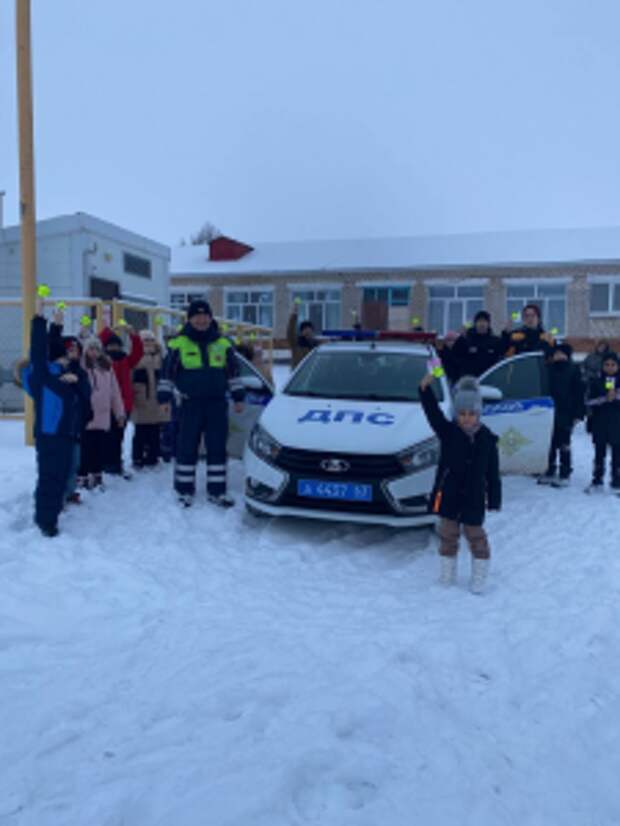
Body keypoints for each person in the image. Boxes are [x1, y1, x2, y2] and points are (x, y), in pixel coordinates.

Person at [158, 299, 245, 508]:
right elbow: (167, 374)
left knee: (217, 447)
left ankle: (217, 491)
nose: (201, 319)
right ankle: (184, 490)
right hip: (189, 405)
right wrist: (164, 398)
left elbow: (233, 373)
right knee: (186, 446)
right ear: (189, 319)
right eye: (196, 316)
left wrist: (238, 397)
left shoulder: (223, 344)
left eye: (205, 315)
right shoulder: (178, 343)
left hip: (216, 404)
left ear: (210, 318)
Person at [419, 374, 501, 594]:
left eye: (471, 414)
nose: (466, 418)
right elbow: (433, 414)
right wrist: (425, 391)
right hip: (450, 494)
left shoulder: (487, 440)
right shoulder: (449, 433)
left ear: (478, 414)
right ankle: (447, 574)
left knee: (476, 536)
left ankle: (479, 576)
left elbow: (493, 474)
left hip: (474, 497)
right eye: (462, 414)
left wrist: (494, 498)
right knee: (448, 534)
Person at [21, 300, 93, 537]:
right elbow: (40, 347)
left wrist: (76, 378)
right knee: (49, 478)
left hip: (67, 435)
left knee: (61, 476)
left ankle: (52, 511)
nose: (66, 360)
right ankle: (46, 521)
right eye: (61, 357)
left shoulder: (70, 376)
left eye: (68, 358)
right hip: (49, 435)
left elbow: (84, 391)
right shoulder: (43, 375)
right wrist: (41, 318)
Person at [47, 308, 93, 505]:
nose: (72, 352)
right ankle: (57, 494)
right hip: (56, 426)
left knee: (74, 461)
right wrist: (56, 324)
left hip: (75, 425)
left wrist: (77, 381)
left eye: (76, 349)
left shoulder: (80, 372)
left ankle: (70, 491)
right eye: (69, 349)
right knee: (58, 463)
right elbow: (52, 343)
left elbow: (86, 393)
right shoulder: (54, 368)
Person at [78, 338, 125, 491]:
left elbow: (115, 392)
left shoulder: (107, 368)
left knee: (99, 447)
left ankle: (97, 475)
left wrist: (119, 414)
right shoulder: (81, 367)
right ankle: (82, 476)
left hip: (103, 415)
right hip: (86, 415)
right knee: (85, 447)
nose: (93, 352)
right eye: (90, 349)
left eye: (96, 349)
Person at [99, 322, 144, 476]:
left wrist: (133, 335)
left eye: (116, 345)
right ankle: (106, 463)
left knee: (118, 435)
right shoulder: (101, 361)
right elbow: (96, 342)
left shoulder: (126, 360)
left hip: (124, 405)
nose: (113, 348)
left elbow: (138, 352)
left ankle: (115, 463)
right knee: (106, 436)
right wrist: (107, 331)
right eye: (110, 345)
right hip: (105, 405)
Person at [538, 343, 585, 487]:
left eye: (562, 353)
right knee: (549, 444)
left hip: (566, 413)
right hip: (548, 412)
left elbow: (579, 393)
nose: (559, 356)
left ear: (567, 355)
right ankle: (549, 470)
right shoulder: (547, 369)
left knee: (564, 444)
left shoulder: (574, 370)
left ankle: (565, 473)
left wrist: (578, 413)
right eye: (556, 353)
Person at [131, 330, 171, 469]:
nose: (148, 343)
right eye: (145, 340)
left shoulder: (162, 356)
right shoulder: (135, 355)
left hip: (157, 398)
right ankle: (137, 457)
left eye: (150, 340)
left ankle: (153, 457)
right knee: (140, 431)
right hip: (141, 397)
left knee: (155, 430)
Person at [585, 352, 620, 493]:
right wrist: (604, 398)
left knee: (617, 454)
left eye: (613, 365)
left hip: (617, 423)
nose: (610, 367)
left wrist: (617, 396)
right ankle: (597, 479)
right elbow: (588, 401)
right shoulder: (596, 381)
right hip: (600, 421)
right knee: (599, 453)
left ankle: (616, 481)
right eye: (607, 364)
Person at [451, 311, 503, 378]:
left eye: (484, 321)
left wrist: (505, 334)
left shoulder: (495, 341)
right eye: (479, 321)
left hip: (490, 380)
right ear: (475, 324)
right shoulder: (466, 340)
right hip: (470, 381)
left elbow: (503, 352)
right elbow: (455, 356)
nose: (482, 324)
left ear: (488, 324)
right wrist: (460, 338)